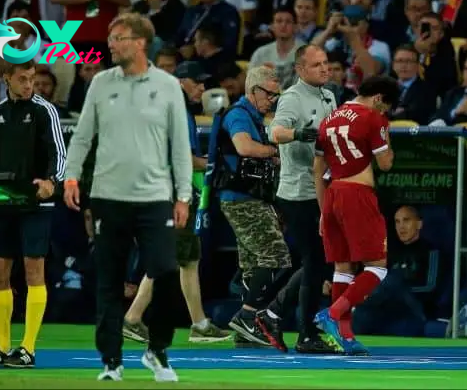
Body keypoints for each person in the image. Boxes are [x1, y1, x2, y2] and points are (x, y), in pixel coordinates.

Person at [63, 13, 192, 383]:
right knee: (109, 278)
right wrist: (71, 175)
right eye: (111, 37)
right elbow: (83, 136)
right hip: (107, 196)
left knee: (166, 270)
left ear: (140, 42)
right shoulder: (101, 83)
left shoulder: (168, 86)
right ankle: (111, 361)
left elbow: (180, 146)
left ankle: (157, 350)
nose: (111, 43)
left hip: (155, 198)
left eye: (118, 38)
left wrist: (183, 195)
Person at [122, 61, 231, 344]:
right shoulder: (176, 110)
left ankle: (193, 323)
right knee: (178, 258)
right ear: (182, 81)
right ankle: (141, 320)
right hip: (171, 195)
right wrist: (211, 164)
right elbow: (181, 159)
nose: (202, 88)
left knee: (183, 259)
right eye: (197, 82)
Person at [0, 60, 67, 368]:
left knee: (33, 271)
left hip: (36, 204)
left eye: (32, 79)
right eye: (22, 79)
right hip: (3, 204)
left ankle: (27, 348)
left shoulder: (44, 111)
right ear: (6, 79)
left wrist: (52, 181)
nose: (29, 85)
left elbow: (60, 154)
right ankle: (0, 345)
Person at [255, 44, 338, 354]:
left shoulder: (329, 96)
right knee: (316, 260)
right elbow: (274, 133)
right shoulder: (292, 97)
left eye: (326, 63)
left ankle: (273, 314)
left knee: (319, 260)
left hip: (320, 188)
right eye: (317, 65)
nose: (324, 69)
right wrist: (299, 134)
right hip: (296, 191)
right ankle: (304, 333)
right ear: (301, 70)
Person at [312, 75, 400, 356]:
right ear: (377, 99)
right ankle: (333, 313)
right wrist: (386, 134)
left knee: (344, 268)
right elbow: (385, 164)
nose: (383, 112)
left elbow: (317, 169)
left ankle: (346, 339)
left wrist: (323, 211)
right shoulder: (374, 119)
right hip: (357, 194)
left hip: (332, 194)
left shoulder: (329, 119)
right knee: (377, 265)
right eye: (384, 107)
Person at [216, 66, 292, 345]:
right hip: (241, 199)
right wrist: (274, 152)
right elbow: (245, 148)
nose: (272, 100)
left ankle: (247, 330)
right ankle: (247, 316)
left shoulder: (255, 117)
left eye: (276, 95)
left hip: (248, 198)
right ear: (253, 91)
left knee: (252, 266)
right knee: (276, 255)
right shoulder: (239, 115)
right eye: (269, 94)